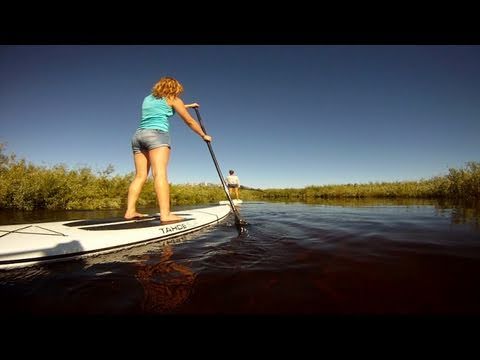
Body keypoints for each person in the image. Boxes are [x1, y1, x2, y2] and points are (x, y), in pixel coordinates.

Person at [124, 76, 212, 222]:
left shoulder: (148, 99)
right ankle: (165, 214)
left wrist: (189, 105)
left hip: (138, 136)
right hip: (157, 136)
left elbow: (167, 106)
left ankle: (130, 211)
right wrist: (203, 135)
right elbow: (189, 121)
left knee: (140, 176)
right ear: (175, 88)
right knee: (159, 174)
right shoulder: (174, 99)